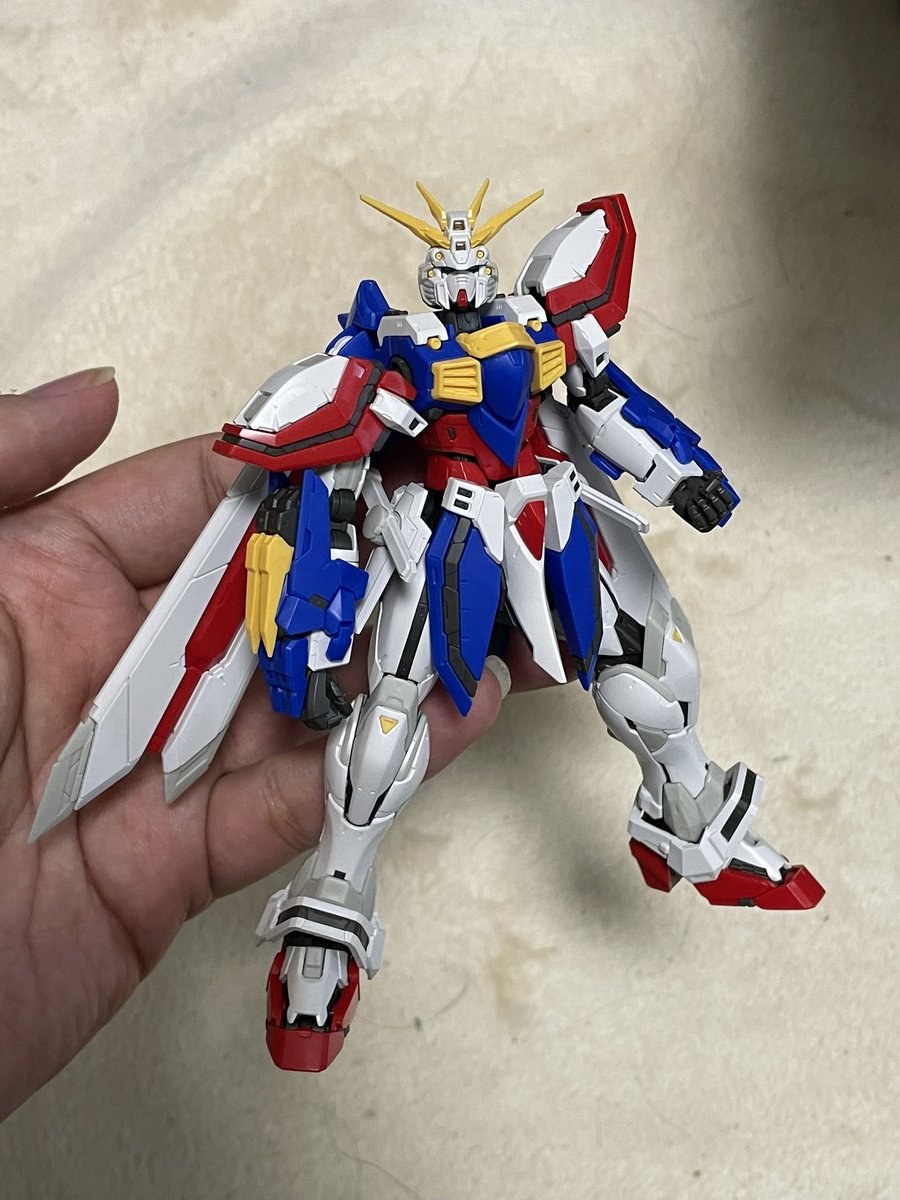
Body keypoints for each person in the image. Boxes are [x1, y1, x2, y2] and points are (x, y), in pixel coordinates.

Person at [0, 366, 525, 1120]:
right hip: (407, 530)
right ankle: (337, 886)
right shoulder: (385, 364)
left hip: (488, 515)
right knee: (389, 706)